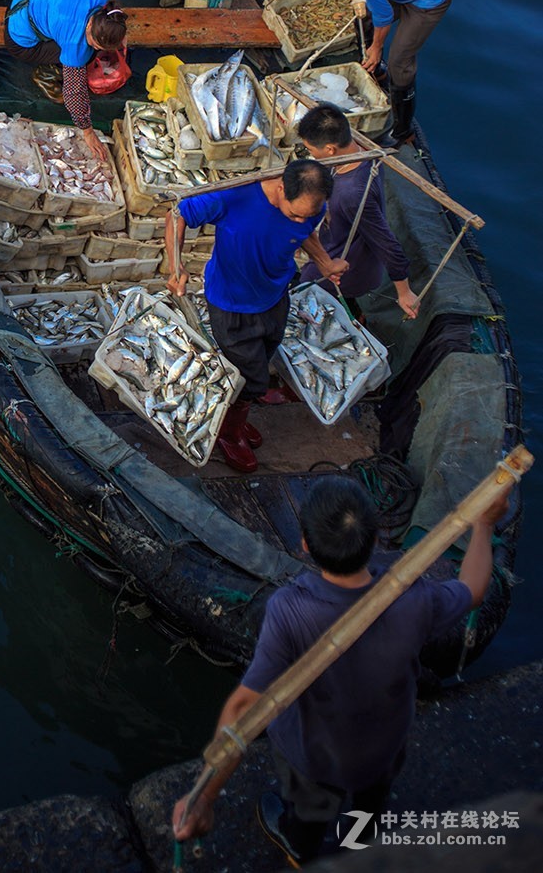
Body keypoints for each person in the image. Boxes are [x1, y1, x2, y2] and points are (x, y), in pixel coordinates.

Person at [172, 474, 511, 864]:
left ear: (304, 544)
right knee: (368, 806)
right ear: (375, 538)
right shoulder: (415, 599)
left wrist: (206, 797)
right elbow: (473, 588)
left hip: (312, 758)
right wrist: (484, 526)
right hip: (381, 750)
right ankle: (355, 847)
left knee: (309, 813)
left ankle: (300, 844)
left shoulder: (289, 610)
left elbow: (244, 707)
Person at [166, 160, 348, 473]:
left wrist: (325, 262)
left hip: (276, 296)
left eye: (308, 215)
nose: (300, 220)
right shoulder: (233, 196)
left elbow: (305, 232)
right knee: (248, 375)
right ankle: (229, 433)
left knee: (264, 355)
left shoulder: (310, 208)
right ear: (280, 189)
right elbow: (177, 214)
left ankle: (240, 412)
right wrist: (176, 267)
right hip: (232, 303)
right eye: (293, 213)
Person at [286, 0, 452, 145]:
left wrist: (376, 47)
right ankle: (377, 70)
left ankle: (403, 131)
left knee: (400, 61)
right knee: (363, 18)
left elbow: (383, 14)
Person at [297, 103, 420, 320]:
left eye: (311, 150)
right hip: (339, 238)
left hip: (345, 265)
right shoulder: (365, 151)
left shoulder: (351, 194)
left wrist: (404, 292)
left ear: (330, 150)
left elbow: (386, 242)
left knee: (304, 288)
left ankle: (350, 316)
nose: (311, 154)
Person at [4, 0, 126, 160]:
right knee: (88, 56)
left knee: (87, 51)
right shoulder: (74, 41)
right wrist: (88, 131)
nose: (97, 47)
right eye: (95, 43)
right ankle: (46, 74)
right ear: (91, 25)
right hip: (18, 37)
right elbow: (73, 93)